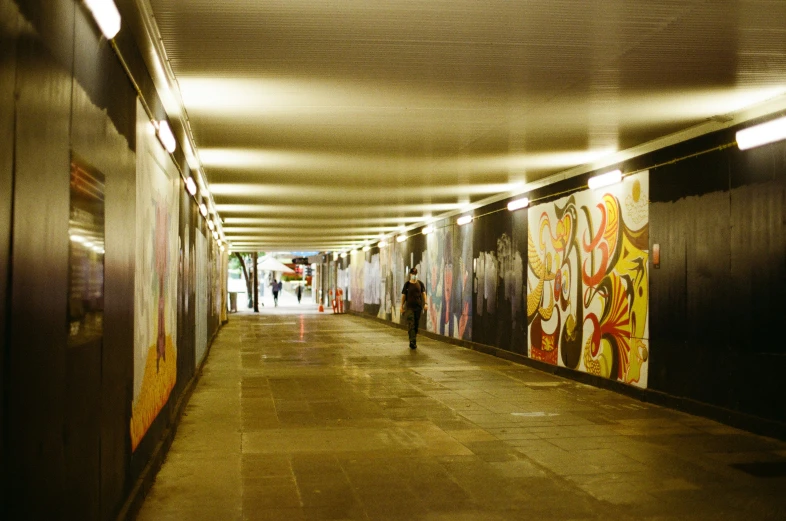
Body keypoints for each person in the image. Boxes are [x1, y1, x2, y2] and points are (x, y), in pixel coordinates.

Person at [400, 267, 427, 349]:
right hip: (409, 308)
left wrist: (425, 303)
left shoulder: (420, 284)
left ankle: (413, 339)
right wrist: (401, 306)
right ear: (410, 274)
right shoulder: (407, 285)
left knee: (416, 325)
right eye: (412, 274)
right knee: (411, 323)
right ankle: (412, 341)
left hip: (418, 308)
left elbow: (423, 294)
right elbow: (403, 296)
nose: (414, 275)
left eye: (415, 274)